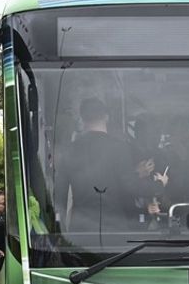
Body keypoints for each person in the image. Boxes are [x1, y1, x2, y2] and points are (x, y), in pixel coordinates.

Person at [53, 98, 158, 232]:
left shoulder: (69, 150)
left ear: (82, 119)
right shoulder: (120, 148)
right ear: (106, 117)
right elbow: (130, 186)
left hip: (81, 230)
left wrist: (58, 230)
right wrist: (159, 185)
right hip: (114, 228)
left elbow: (59, 198)